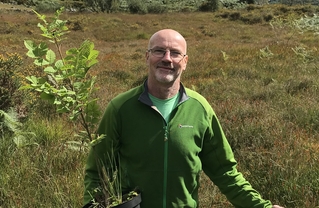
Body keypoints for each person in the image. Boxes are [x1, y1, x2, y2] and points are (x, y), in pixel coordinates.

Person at [83, 29, 284, 208]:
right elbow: (97, 173)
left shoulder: (200, 109)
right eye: (159, 51)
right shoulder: (121, 108)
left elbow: (225, 173)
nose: (167, 58)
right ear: (147, 57)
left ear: (185, 62)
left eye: (175, 53)